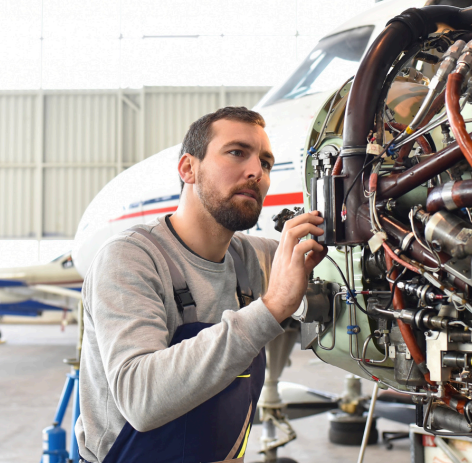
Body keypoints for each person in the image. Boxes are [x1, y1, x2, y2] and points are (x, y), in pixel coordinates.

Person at [74, 106, 327, 462]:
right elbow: (140, 399)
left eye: (266, 163)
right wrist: (271, 308)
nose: (257, 172)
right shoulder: (130, 257)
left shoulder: (253, 258)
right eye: (237, 153)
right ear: (188, 169)